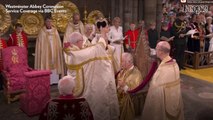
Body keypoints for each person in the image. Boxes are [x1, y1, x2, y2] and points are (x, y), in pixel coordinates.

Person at [64, 19, 119, 120]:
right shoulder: (76, 54)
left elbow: (85, 47)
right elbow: (96, 49)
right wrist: (102, 34)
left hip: (75, 81)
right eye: (82, 41)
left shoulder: (71, 50)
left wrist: (93, 35)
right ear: (77, 42)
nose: (83, 43)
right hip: (81, 86)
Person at [141, 41, 184, 120]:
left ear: (160, 52)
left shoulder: (163, 69)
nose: (155, 51)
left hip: (164, 105)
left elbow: (155, 89)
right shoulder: (175, 64)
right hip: (174, 99)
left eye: (156, 49)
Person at [34, 17, 64, 84]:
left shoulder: (55, 30)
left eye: (50, 21)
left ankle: (55, 81)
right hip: (45, 53)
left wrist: (59, 50)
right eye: (48, 21)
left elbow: (58, 42)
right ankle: (47, 81)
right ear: (45, 22)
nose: (49, 23)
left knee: (55, 63)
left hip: (54, 51)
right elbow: (39, 44)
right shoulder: (42, 31)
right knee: (46, 63)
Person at [117, 52, 142, 120]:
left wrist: (124, 86)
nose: (121, 63)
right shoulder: (122, 71)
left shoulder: (136, 74)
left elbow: (135, 91)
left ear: (129, 62)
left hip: (130, 100)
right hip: (120, 96)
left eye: (122, 61)